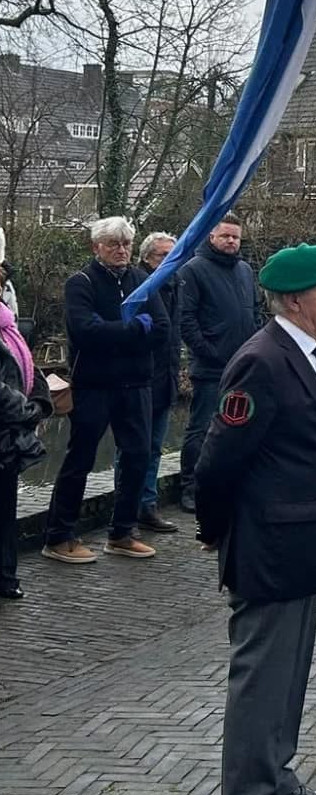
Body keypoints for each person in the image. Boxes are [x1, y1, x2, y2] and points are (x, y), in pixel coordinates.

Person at [195, 243, 316, 795]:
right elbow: (216, 464)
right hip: (269, 549)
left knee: (289, 678)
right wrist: (217, 532)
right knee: (261, 683)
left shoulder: (310, 354)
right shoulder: (262, 361)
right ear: (293, 300)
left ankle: (275, 777)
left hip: (303, 545)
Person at [41, 217, 169, 564]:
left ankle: (122, 532)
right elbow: (86, 332)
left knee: (137, 456)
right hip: (94, 385)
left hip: (137, 384)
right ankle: (59, 535)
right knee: (79, 458)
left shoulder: (142, 280)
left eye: (126, 243)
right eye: (113, 244)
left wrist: (119, 331)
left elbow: (161, 328)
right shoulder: (80, 283)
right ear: (96, 247)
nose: (121, 250)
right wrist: (133, 329)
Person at [177, 213, 260, 513]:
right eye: (225, 236)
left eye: (236, 237)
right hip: (210, 367)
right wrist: (207, 350)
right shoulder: (194, 270)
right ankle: (190, 487)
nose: (231, 241)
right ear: (212, 236)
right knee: (201, 429)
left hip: (244, 365)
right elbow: (185, 319)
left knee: (238, 428)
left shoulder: (245, 270)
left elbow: (255, 311)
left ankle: (229, 483)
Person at [114, 231, 180, 534]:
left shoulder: (176, 286)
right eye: (160, 256)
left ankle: (147, 505)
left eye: (172, 255)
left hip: (165, 378)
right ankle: (126, 507)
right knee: (132, 449)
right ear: (146, 258)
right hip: (140, 381)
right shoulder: (140, 287)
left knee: (154, 448)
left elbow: (171, 335)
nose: (167, 261)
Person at [0, 296, 51, 599]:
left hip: (9, 433)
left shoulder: (6, 319)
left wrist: (41, 400)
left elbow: (26, 362)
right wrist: (26, 410)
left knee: (6, 509)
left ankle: (6, 576)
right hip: (9, 421)